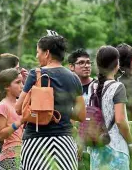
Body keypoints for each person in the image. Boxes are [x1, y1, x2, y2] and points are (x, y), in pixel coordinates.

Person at [15, 33, 86, 170]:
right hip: (64, 143)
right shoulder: (74, 78)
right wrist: (61, 110)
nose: (37, 56)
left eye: (38, 52)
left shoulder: (36, 74)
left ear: (47, 53)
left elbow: (19, 108)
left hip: (36, 143)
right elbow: (81, 115)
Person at [88, 46, 132, 170]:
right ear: (117, 64)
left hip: (96, 148)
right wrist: (131, 143)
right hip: (116, 148)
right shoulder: (118, 87)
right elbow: (120, 121)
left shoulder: (92, 86)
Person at [0, 53, 20, 170]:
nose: (19, 72)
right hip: (6, 148)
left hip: (15, 147)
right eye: (16, 69)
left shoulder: (9, 95)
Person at [0, 69, 23, 170]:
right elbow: (1, 135)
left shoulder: (19, 104)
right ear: (7, 86)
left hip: (22, 154)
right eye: (18, 82)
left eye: (22, 82)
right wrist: (19, 122)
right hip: (9, 156)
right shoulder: (3, 105)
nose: (22, 85)